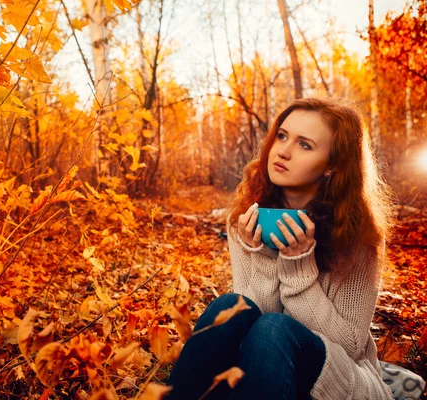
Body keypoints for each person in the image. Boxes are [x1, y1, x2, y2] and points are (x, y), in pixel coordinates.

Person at [166, 97, 398, 399]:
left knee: (274, 328)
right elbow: (250, 320)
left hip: (335, 377)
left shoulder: (359, 234)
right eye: (282, 136)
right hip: (263, 370)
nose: (283, 152)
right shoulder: (245, 219)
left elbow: (351, 347)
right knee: (230, 306)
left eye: (305, 145)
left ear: (332, 165)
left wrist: (299, 268)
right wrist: (262, 257)